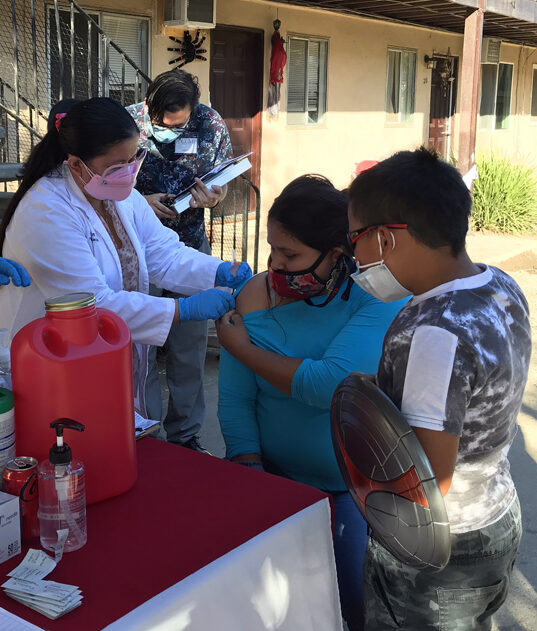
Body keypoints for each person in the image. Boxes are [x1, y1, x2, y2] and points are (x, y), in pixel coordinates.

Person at [347, 147, 531, 631]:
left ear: (385, 238)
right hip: (496, 514)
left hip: (437, 550)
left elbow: (431, 483)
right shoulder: (500, 285)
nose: (354, 258)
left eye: (355, 241)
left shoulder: (432, 332)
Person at [215, 175, 407, 630]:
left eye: (291, 255)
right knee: (268, 607)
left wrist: (245, 349)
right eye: (272, 249)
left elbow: (332, 386)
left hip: (350, 490)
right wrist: (248, 467)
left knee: (354, 602)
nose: (276, 266)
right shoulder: (255, 295)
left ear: (336, 255)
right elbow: (236, 397)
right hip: (271, 480)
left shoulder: (376, 295)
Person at [0, 97, 250, 417]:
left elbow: (163, 253)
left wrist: (217, 271)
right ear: (76, 164)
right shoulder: (46, 210)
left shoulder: (119, 194)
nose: (130, 172)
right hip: (49, 358)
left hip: (100, 355)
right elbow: (92, 305)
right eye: (118, 166)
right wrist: (182, 309)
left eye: (134, 159)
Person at [127, 69, 233, 451]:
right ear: (149, 106)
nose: (167, 131)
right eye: (160, 124)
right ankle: (146, 432)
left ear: (193, 109)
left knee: (189, 351)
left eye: (177, 124)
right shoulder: (128, 122)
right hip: (139, 249)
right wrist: (142, 202)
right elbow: (107, 184)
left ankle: (186, 436)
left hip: (188, 245)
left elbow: (222, 177)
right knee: (141, 350)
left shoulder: (210, 124)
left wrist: (216, 197)